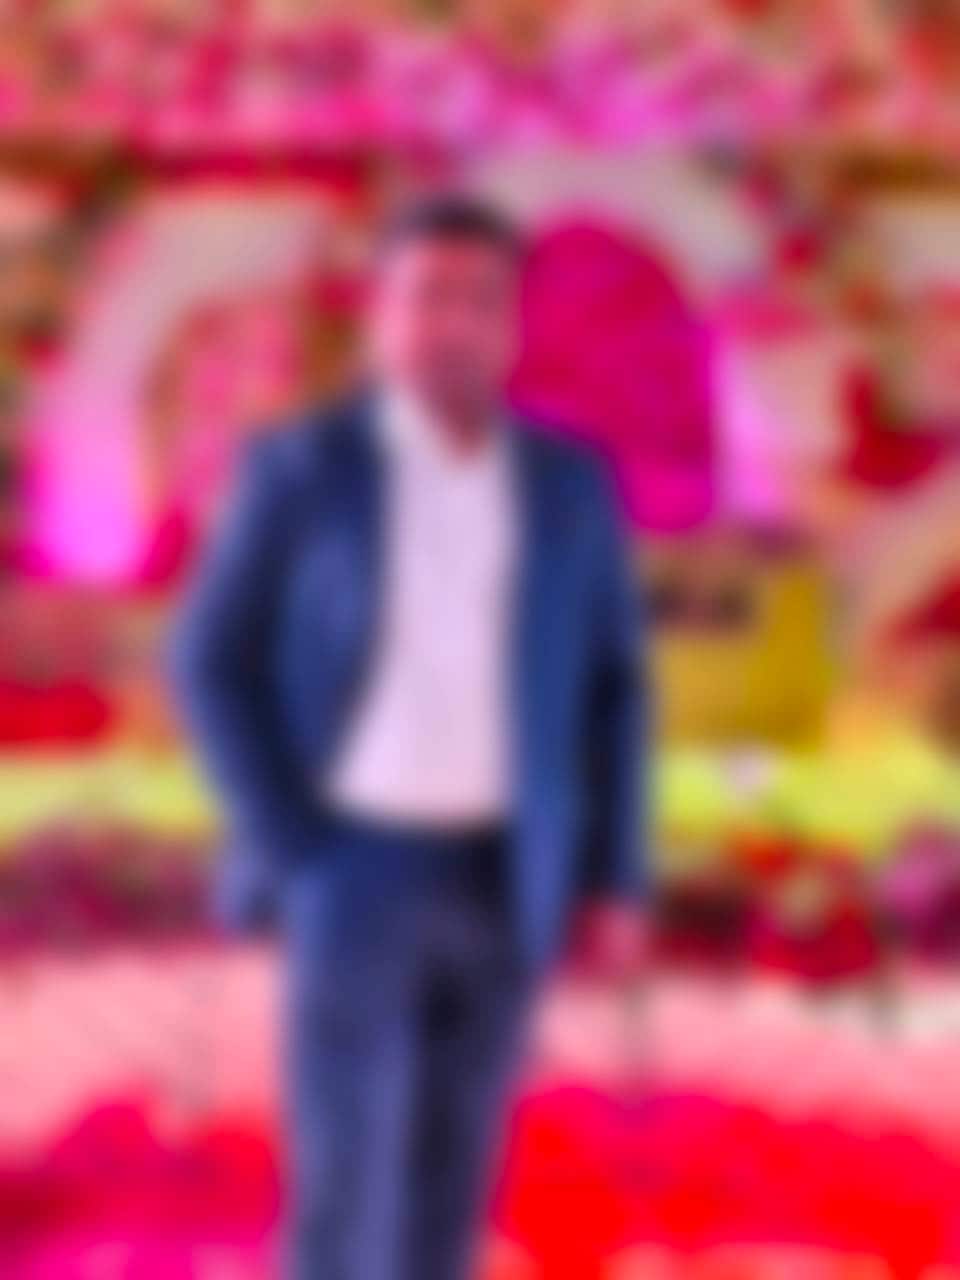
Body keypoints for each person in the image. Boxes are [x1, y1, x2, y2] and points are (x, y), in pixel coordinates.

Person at [173, 194, 646, 1280]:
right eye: (427, 296)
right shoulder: (302, 467)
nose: (453, 323)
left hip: (506, 868)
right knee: (349, 1183)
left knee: (453, 1172)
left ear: (511, 323)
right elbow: (209, 657)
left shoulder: (568, 483)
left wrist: (614, 875)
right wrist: (293, 843)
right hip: (354, 868)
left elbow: (613, 688)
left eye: (481, 299)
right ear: (379, 313)